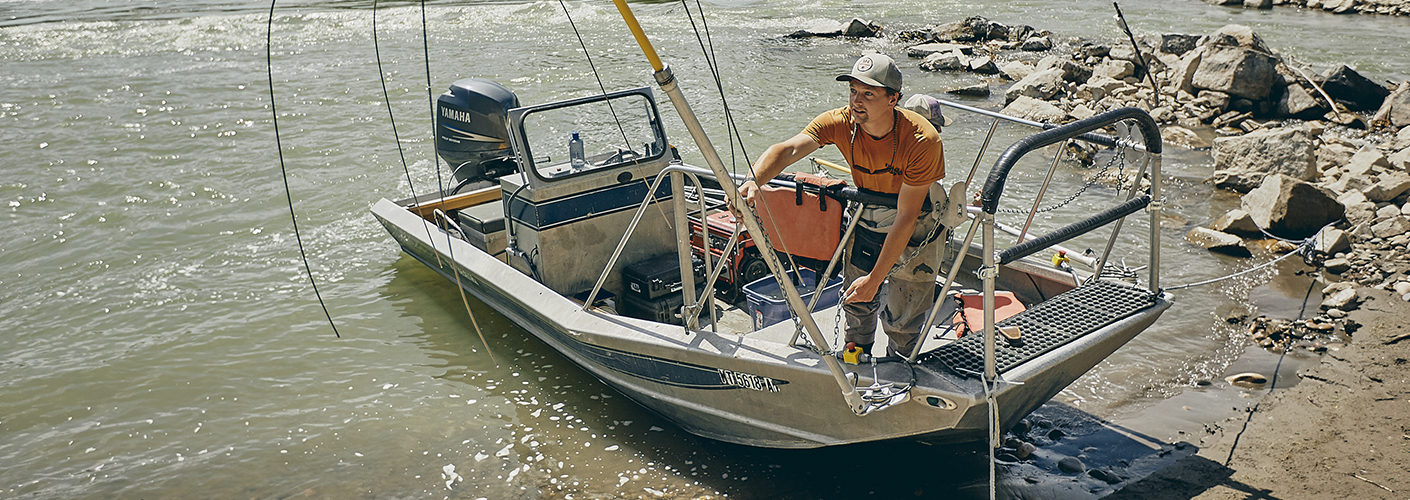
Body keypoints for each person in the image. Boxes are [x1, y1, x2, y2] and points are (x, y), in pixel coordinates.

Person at [737, 53, 948, 358]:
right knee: (856, 302)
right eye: (853, 91)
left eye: (868, 94)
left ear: (893, 99)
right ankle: (855, 357)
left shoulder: (922, 140)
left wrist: (875, 280)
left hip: (917, 225)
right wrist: (753, 180)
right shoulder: (840, 122)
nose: (856, 101)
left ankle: (902, 367)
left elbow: (907, 215)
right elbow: (788, 149)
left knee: (905, 313)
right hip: (867, 216)